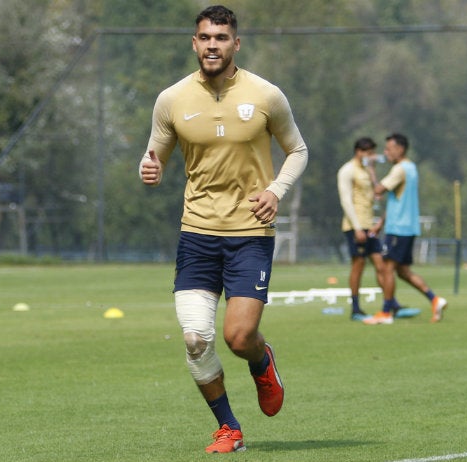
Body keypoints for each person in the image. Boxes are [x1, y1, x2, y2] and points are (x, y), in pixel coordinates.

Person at [138, 5, 308, 454]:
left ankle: (262, 361)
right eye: (205, 37)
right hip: (196, 233)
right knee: (196, 339)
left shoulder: (266, 95)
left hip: (250, 233)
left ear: (236, 43)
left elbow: (298, 150)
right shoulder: (171, 99)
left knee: (237, 338)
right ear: (194, 43)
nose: (212, 45)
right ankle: (228, 427)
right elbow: (155, 154)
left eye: (221, 37)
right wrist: (149, 168)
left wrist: (276, 191)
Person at [363, 133, 447, 325]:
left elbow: (378, 191)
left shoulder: (399, 169)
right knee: (402, 271)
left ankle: (386, 313)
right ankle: (435, 300)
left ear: (400, 149)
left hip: (398, 229)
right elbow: (397, 201)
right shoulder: (411, 168)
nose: (386, 153)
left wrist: (371, 169)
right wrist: (380, 224)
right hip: (407, 227)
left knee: (386, 268)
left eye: (388, 149)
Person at [336, 137, 386, 321]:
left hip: (369, 225)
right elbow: (346, 200)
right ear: (359, 151)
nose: (372, 156)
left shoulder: (366, 170)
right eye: (369, 152)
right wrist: (357, 228)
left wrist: (372, 170)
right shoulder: (347, 170)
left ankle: (390, 304)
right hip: (355, 226)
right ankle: (356, 308)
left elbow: (376, 194)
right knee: (359, 264)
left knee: (381, 264)